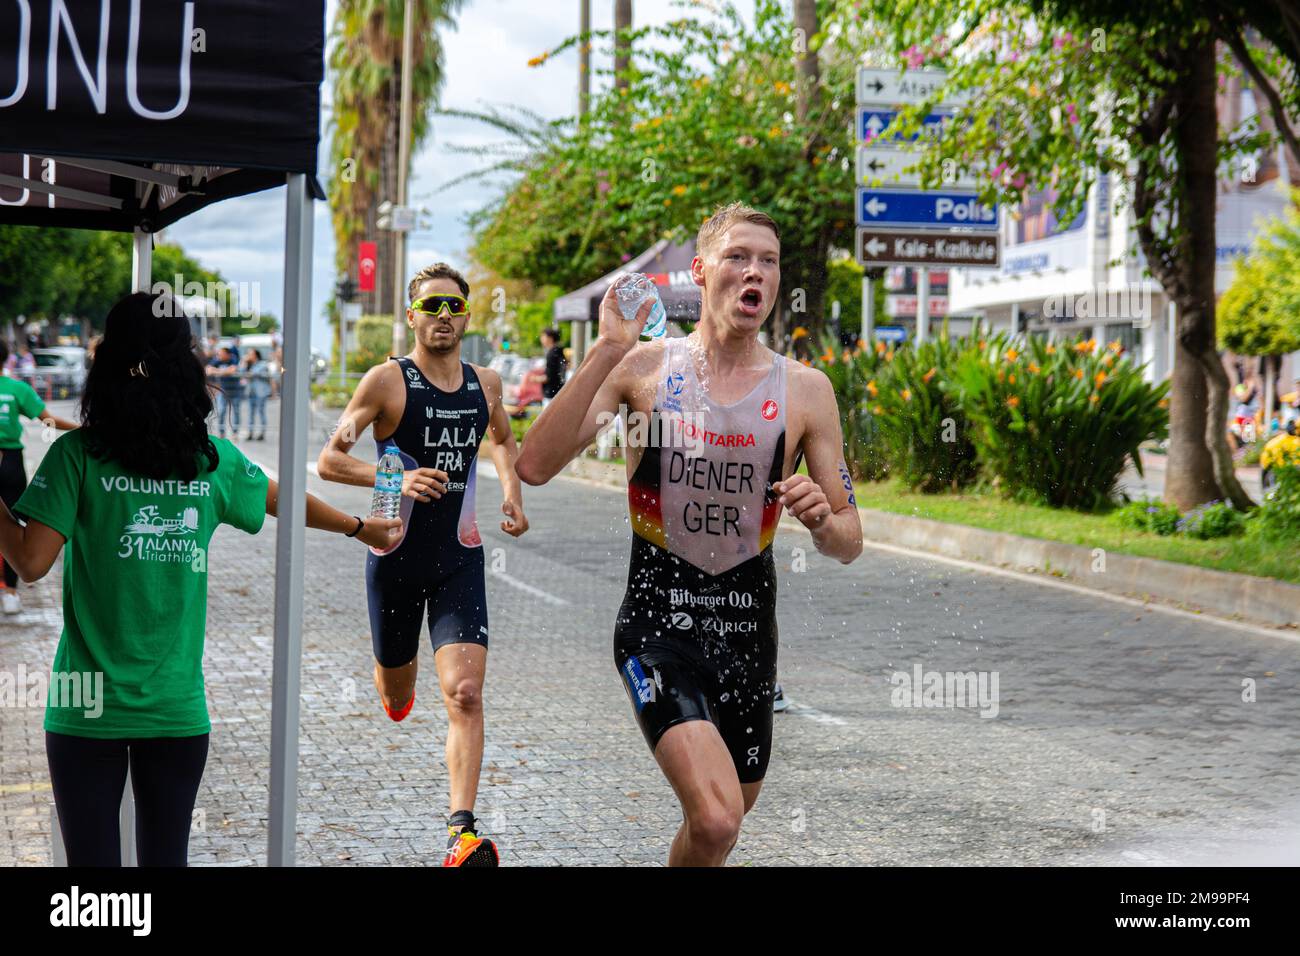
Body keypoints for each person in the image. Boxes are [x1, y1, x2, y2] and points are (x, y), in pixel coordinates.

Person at [516, 202, 864, 866]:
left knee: (722, 821)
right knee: (714, 818)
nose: (754, 271)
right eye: (737, 257)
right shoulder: (643, 371)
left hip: (747, 638)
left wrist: (823, 518)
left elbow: (850, 538)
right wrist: (606, 351)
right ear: (700, 273)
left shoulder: (808, 392)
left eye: (768, 260)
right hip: (656, 628)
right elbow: (533, 466)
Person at [0, 292, 400, 867]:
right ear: (187, 367)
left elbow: (29, 563)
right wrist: (358, 527)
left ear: (106, 364)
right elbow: (283, 499)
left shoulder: (76, 457)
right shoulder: (209, 461)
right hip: (175, 709)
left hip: (83, 706)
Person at [318, 262, 530, 867]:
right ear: (411, 315)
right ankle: (393, 689)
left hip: (458, 558)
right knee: (397, 692)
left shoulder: (485, 383)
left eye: (453, 307)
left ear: (467, 314)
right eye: (431, 306)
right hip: (392, 553)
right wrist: (395, 475)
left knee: (465, 694)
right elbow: (331, 459)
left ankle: (461, 832)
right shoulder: (385, 381)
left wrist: (512, 493)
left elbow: (503, 439)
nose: (443, 317)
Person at [0, 340, 79, 614]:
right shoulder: (16, 389)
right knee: (11, 525)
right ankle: (10, 592)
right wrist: (84, 429)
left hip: (9, 459)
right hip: (9, 461)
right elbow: (48, 421)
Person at [205, 346, 244, 439]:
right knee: (221, 411)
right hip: (223, 391)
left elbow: (232, 370)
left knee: (236, 412)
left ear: (227, 354)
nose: (219, 356)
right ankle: (222, 433)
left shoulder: (234, 359)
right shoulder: (218, 360)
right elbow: (208, 370)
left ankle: (235, 433)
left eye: (221, 354)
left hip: (235, 391)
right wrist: (224, 372)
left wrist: (217, 371)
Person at [242, 348, 274, 441]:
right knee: (251, 413)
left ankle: (262, 433)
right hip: (251, 392)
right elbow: (241, 372)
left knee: (261, 412)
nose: (248, 356)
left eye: (250, 354)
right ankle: (250, 433)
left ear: (255, 355)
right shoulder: (248, 365)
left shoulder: (262, 364)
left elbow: (253, 373)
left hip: (261, 392)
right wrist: (244, 363)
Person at [541, 327, 566, 408]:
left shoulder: (551, 354)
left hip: (550, 393)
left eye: (543, 336)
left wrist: (534, 378)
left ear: (550, 338)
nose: (541, 339)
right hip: (559, 390)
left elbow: (548, 377)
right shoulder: (559, 351)